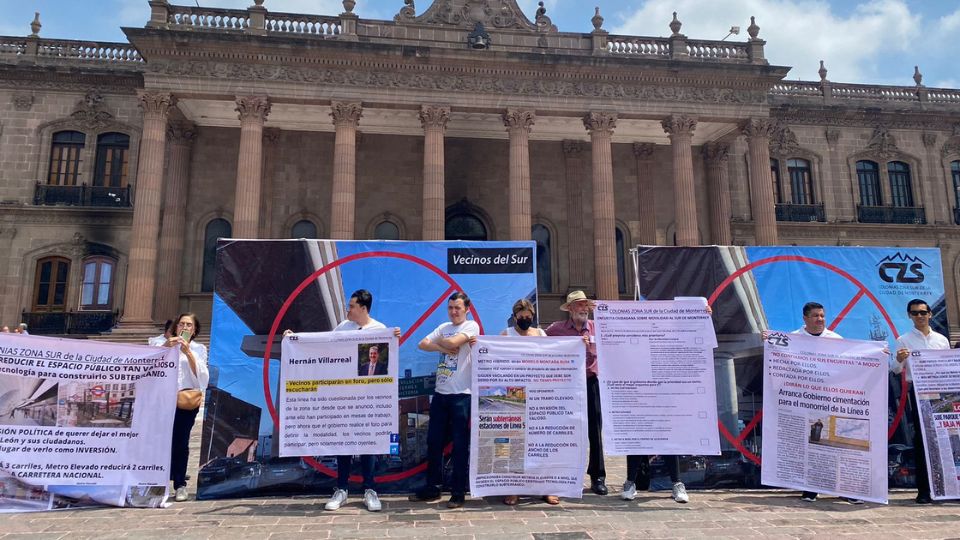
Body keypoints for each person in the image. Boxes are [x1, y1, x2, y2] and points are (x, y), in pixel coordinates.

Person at [300, 289, 400, 512]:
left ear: (363, 308)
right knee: (343, 442)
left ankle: (369, 490)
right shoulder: (342, 328)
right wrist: (294, 340)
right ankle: (341, 489)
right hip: (344, 398)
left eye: (352, 306)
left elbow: (389, 360)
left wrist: (394, 340)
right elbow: (321, 346)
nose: (348, 310)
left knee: (367, 444)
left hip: (368, 401)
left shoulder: (379, 329)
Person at [785, 302, 861, 504]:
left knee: (838, 443)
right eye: (815, 316)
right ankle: (811, 488)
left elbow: (853, 363)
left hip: (832, 399)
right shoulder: (793, 339)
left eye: (822, 316)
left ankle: (846, 489)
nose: (820, 319)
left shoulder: (836, 340)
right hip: (806, 400)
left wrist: (878, 356)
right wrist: (768, 342)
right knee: (811, 443)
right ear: (805, 318)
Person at [409, 291, 480, 509]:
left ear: (466, 309)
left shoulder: (471, 326)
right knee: (434, 443)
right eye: (450, 307)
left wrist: (441, 342)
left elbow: (455, 341)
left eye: (457, 307)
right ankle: (433, 487)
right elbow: (422, 343)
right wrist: (443, 345)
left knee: (460, 445)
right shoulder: (444, 326)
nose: (453, 311)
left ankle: (458, 492)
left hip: (461, 394)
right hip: (440, 394)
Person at [499, 299, 561, 507]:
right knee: (516, 442)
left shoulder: (541, 334)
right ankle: (514, 488)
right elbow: (493, 359)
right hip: (515, 394)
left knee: (541, 442)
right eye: (521, 316)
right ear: (515, 316)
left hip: (539, 394)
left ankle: (545, 487)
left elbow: (553, 358)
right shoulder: (506, 335)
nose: (525, 319)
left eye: (528, 316)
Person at [545, 290, 607, 495]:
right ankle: (560, 475)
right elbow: (538, 344)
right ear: (570, 309)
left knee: (594, 431)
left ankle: (598, 477)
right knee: (562, 430)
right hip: (566, 386)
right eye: (579, 305)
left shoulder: (598, 328)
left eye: (585, 305)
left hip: (591, 383)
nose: (584, 308)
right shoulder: (556, 329)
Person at [893, 298, 950, 504]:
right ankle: (924, 490)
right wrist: (899, 359)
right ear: (910, 316)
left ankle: (949, 488)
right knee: (922, 441)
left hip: (942, 394)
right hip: (919, 394)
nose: (920, 316)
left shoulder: (942, 340)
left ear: (930, 314)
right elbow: (895, 369)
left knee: (947, 439)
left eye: (923, 312)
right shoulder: (903, 340)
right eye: (915, 313)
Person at [161, 312, 209, 503]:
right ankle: (159, 479)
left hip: (185, 399)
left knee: (181, 442)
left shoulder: (198, 349)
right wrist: (166, 347)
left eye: (189, 325)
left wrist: (187, 351)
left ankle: (180, 484)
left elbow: (201, 376)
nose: (185, 328)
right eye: (182, 324)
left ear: (195, 329)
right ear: (175, 327)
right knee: (161, 442)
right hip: (163, 400)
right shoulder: (162, 345)